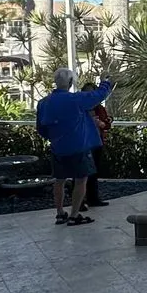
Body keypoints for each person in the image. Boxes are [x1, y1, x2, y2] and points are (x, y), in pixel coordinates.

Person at [35, 67, 113, 226]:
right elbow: (99, 95)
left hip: (58, 148)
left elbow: (41, 128)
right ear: (70, 82)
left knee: (59, 180)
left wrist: (54, 138)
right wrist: (104, 81)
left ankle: (59, 213)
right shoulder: (75, 99)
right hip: (79, 146)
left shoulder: (43, 103)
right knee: (81, 179)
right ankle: (74, 215)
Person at [81, 79, 114, 209]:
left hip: (96, 142)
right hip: (83, 143)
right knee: (82, 173)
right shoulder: (80, 107)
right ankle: (80, 201)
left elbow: (107, 124)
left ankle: (93, 198)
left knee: (94, 171)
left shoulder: (99, 108)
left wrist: (103, 123)